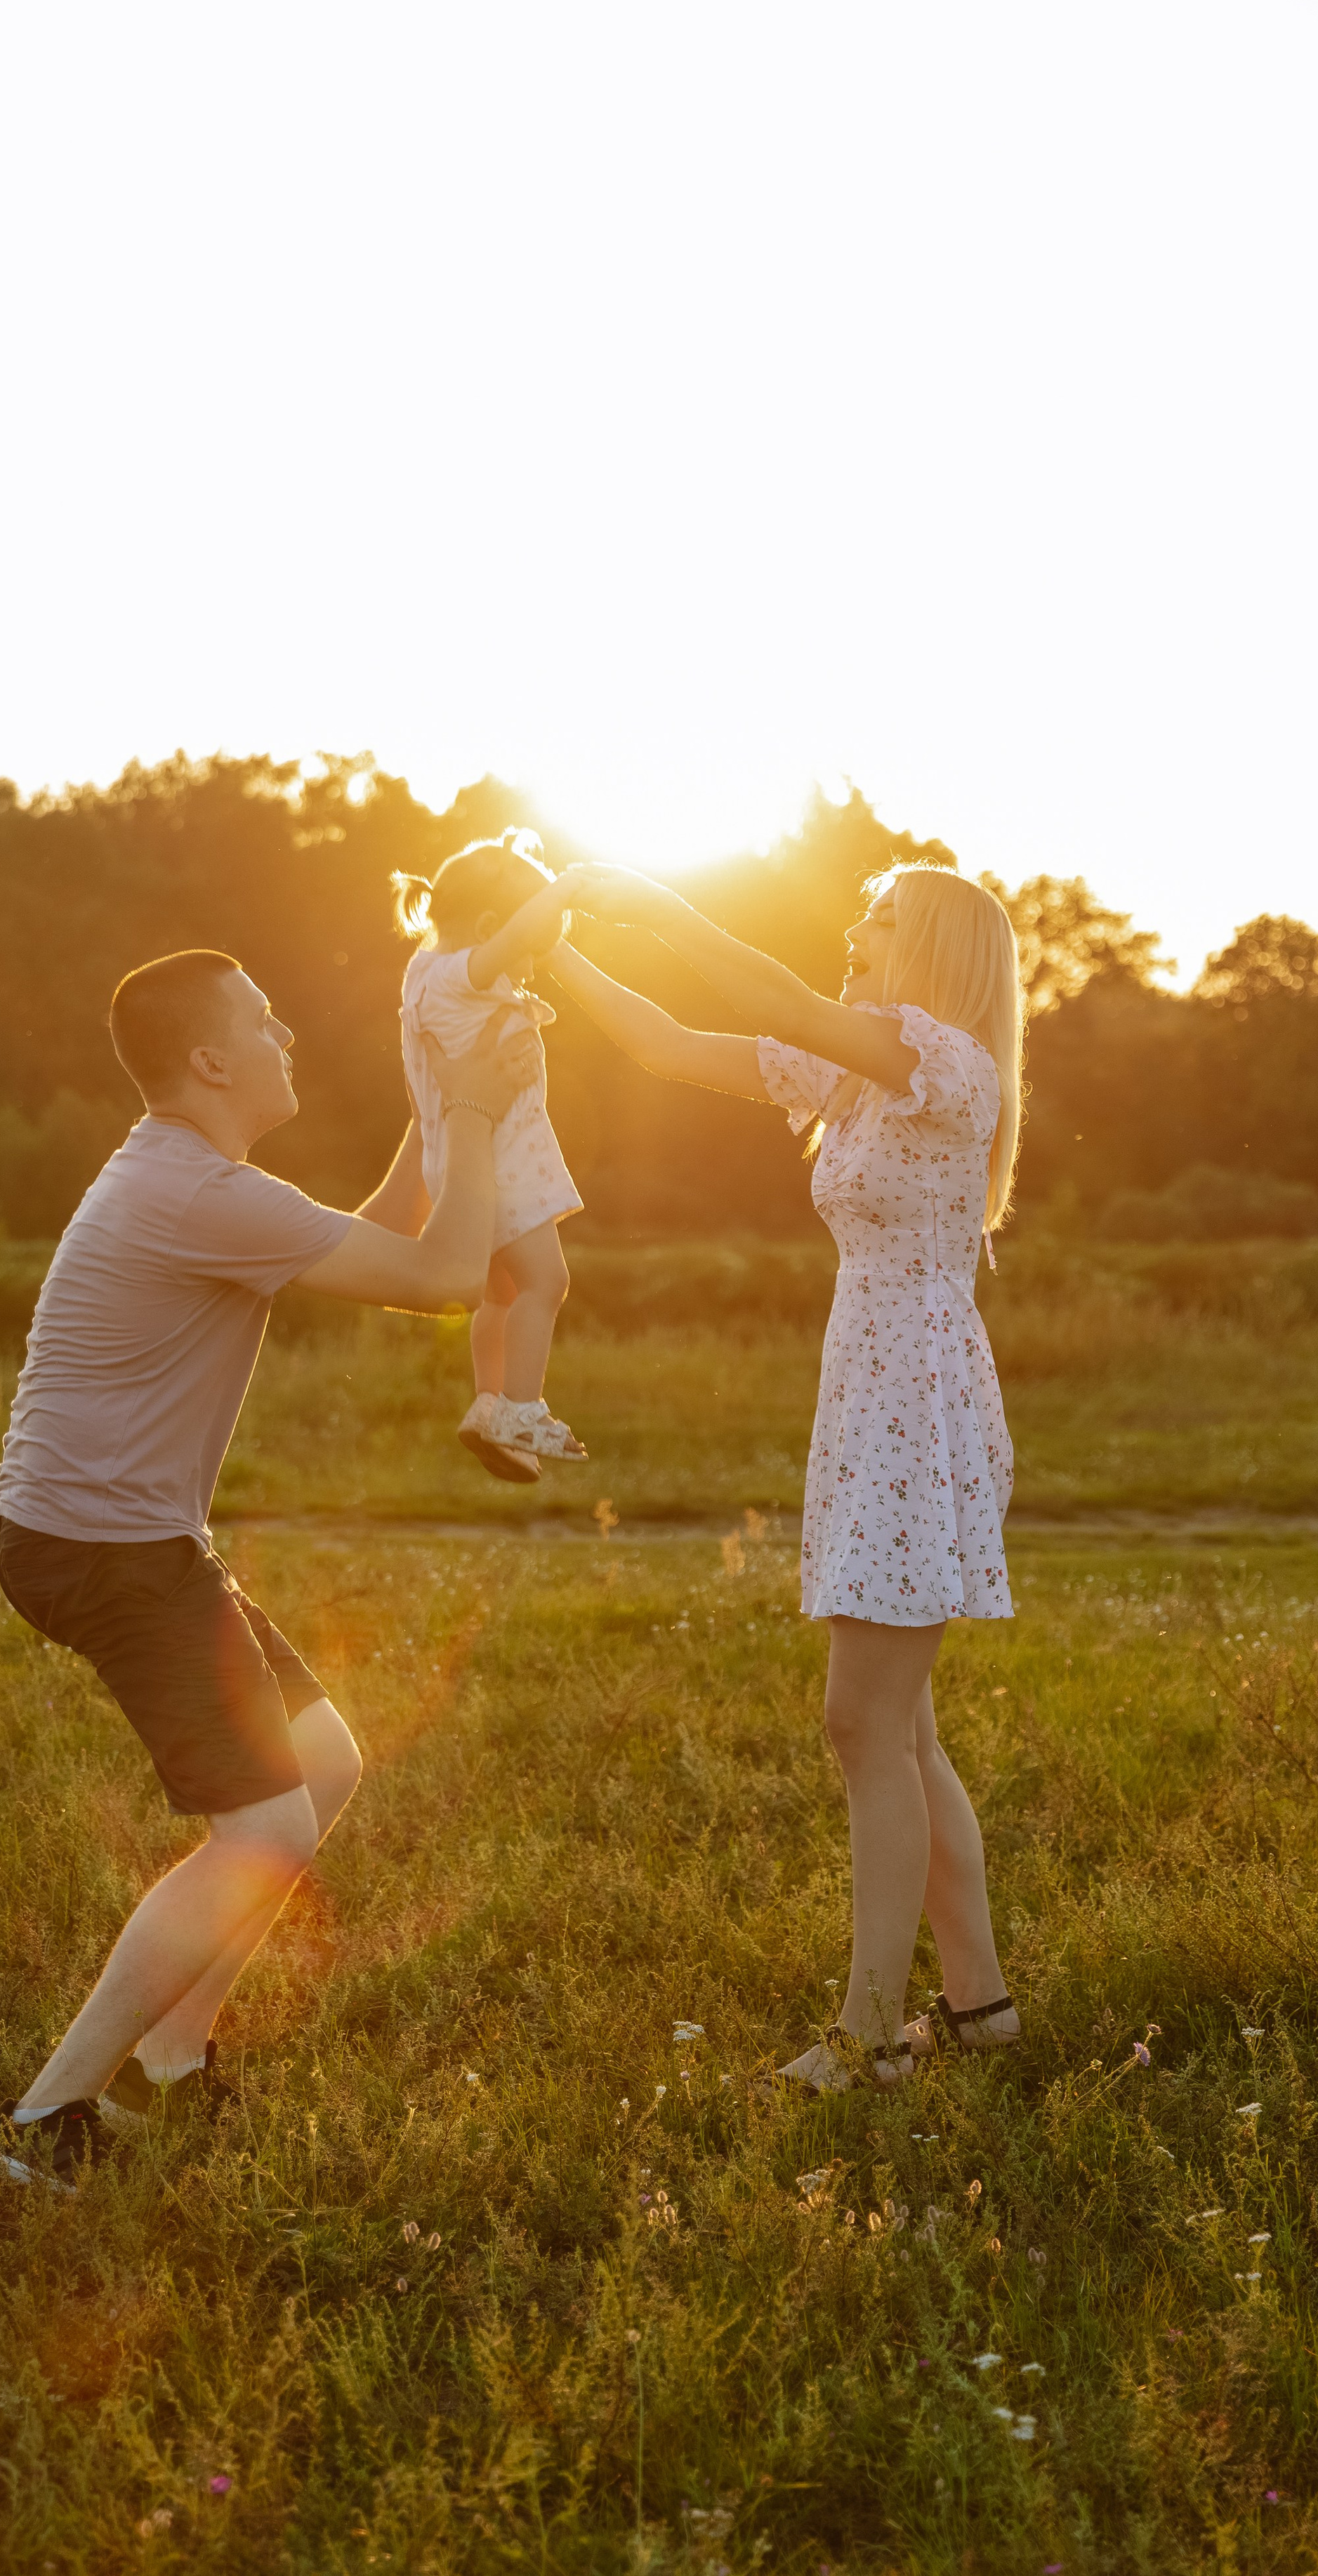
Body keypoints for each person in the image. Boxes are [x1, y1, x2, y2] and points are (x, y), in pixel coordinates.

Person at [0, 945, 540, 2185]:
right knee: (264, 1828)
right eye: (266, 1020)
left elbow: (380, 1235)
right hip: (102, 1549)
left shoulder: (200, 1178)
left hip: (132, 1538)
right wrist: (489, 1110)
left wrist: (447, 1102)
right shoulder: (194, 1194)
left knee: (322, 1763)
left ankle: (167, 2062)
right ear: (210, 1059)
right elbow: (446, 1278)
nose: (289, 1034)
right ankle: (42, 2125)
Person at [548, 862, 1025, 2090]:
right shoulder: (861, 1074)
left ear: (932, 951)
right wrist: (543, 950)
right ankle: (981, 2014)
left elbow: (769, 988)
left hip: (916, 1412)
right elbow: (665, 1046)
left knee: (863, 1722)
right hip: (872, 1403)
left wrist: (658, 906)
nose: (853, 933)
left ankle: (871, 2039)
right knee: (905, 1734)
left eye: (878, 919)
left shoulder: (944, 1064)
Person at [392, 831, 593, 1480]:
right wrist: (565, 885)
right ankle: (522, 1406)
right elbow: (504, 945)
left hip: (461, 1160)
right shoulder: (464, 974)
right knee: (547, 1282)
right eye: (529, 949)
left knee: (501, 1294)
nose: (530, 964)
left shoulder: (424, 973)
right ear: (488, 930)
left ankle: (488, 1404)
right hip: (502, 1164)